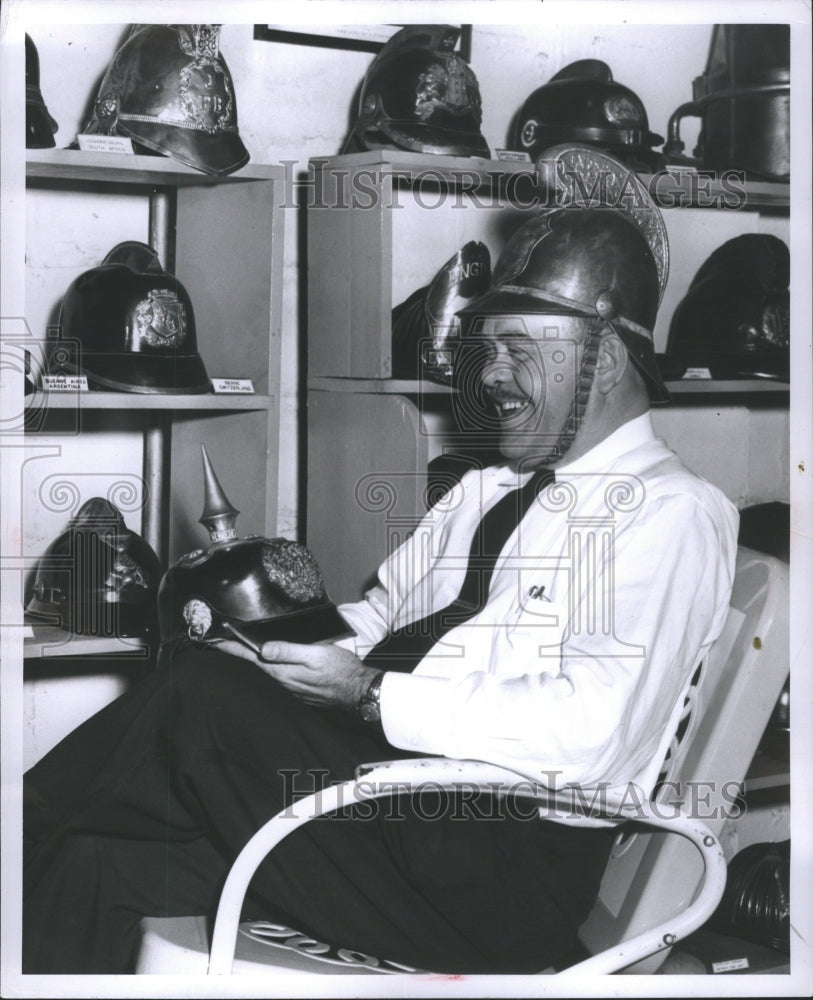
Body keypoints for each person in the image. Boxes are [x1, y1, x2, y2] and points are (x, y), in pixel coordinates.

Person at [22, 165, 739, 976]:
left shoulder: (671, 513)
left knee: (199, 699)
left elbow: (592, 739)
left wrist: (366, 696)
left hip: (496, 876)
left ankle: (16, 820)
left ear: (605, 359)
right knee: (97, 864)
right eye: (484, 349)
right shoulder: (486, 490)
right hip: (393, 815)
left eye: (515, 351)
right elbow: (376, 620)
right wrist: (269, 647)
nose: (490, 377)